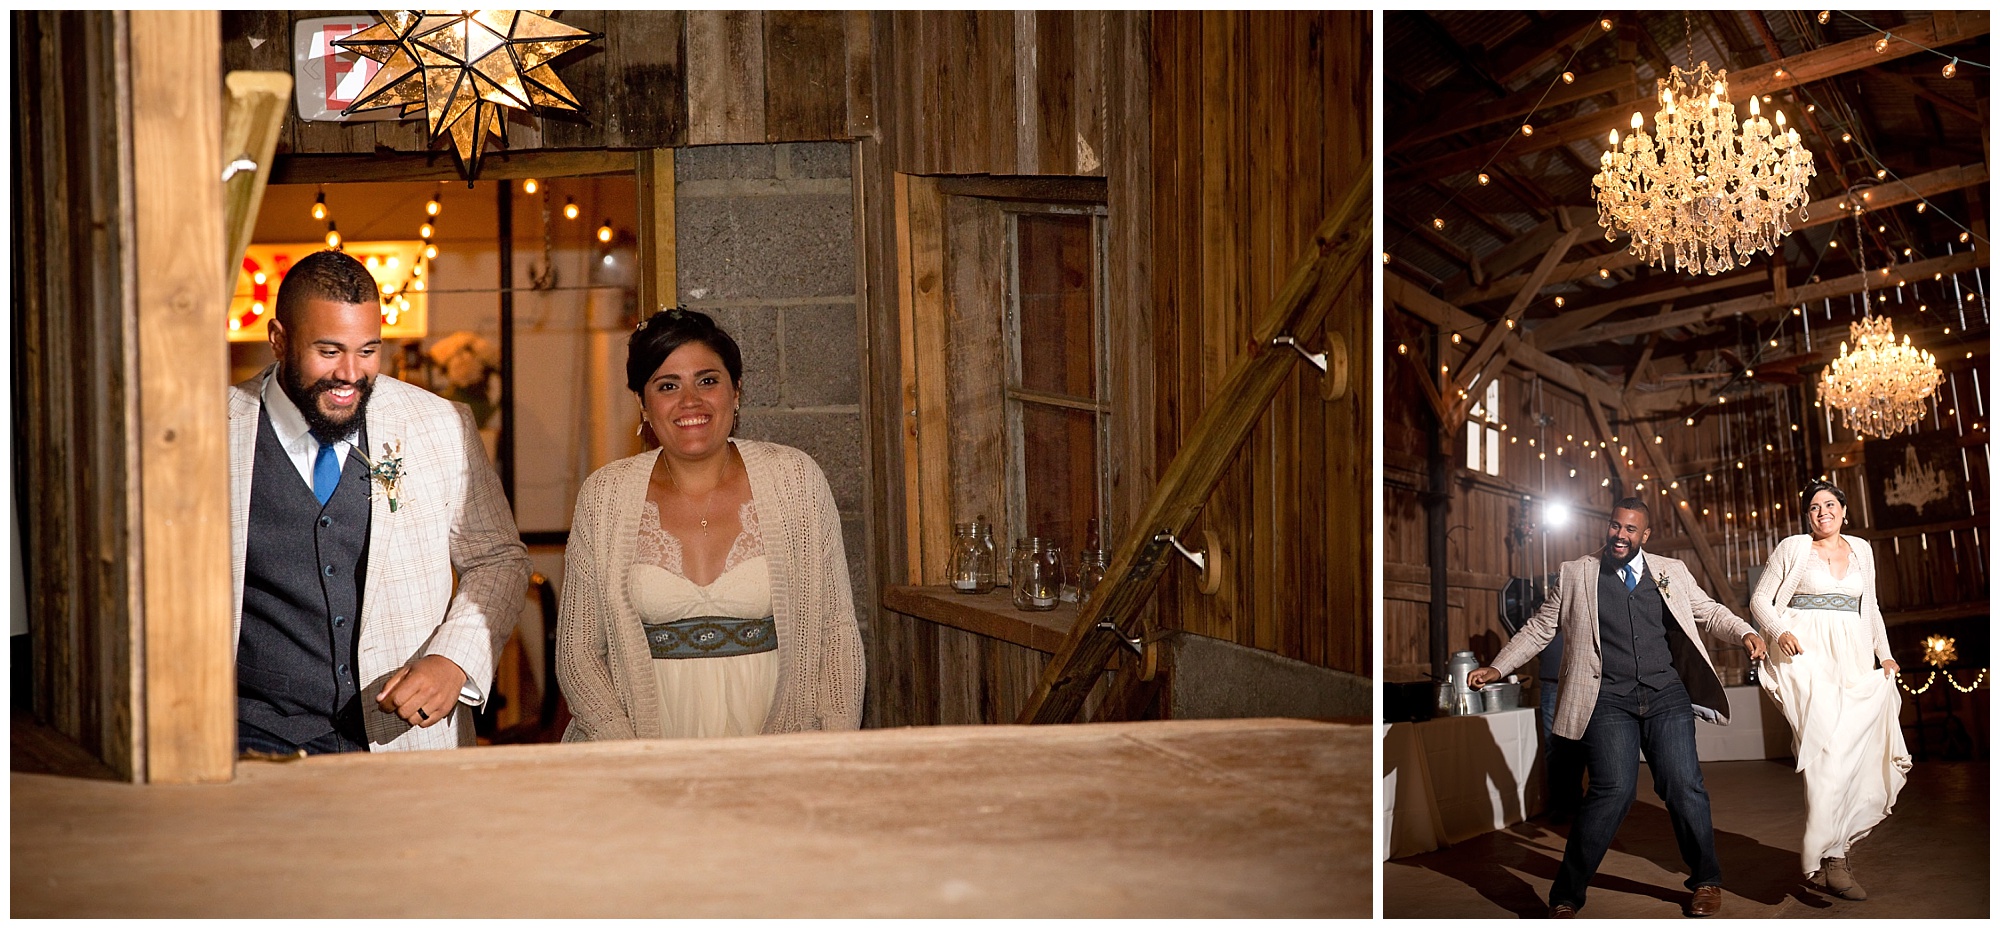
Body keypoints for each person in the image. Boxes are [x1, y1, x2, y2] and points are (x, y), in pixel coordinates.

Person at [229, 249, 530, 754]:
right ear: (279, 339)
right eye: (328, 351)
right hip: (254, 740)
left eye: (368, 351)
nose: (351, 374)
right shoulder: (214, 431)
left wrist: (454, 660)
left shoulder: (440, 424)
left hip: (403, 741)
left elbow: (499, 559)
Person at [556, 307, 863, 740]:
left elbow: (837, 631)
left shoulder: (795, 480)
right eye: (667, 386)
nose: (690, 402)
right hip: (640, 752)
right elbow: (578, 652)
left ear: (736, 391)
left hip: (782, 749)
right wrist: (630, 756)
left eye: (707, 380)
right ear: (642, 403)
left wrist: (830, 750)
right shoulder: (603, 497)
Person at [1468, 497, 1767, 918]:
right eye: (1615, 526)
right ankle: (1567, 895)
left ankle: (1705, 880)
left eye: (1630, 529)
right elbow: (1539, 628)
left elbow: (1708, 612)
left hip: (1666, 694)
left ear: (1644, 536)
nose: (1620, 535)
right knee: (1612, 791)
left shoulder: (1672, 572)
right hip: (1607, 697)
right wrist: (1498, 667)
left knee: (1683, 785)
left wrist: (1745, 633)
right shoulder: (1576, 573)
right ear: (1607, 528)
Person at [1750, 480, 1910, 900]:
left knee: (1851, 754)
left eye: (1829, 505)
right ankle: (1830, 860)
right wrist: (1779, 629)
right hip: (1805, 656)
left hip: (1853, 659)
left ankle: (1831, 856)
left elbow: (1869, 606)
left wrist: (1885, 654)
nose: (1822, 512)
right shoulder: (1793, 548)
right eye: (1813, 507)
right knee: (1827, 752)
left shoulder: (1861, 549)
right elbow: (1760, 600)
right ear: (1807, 516)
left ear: (1843, 509)